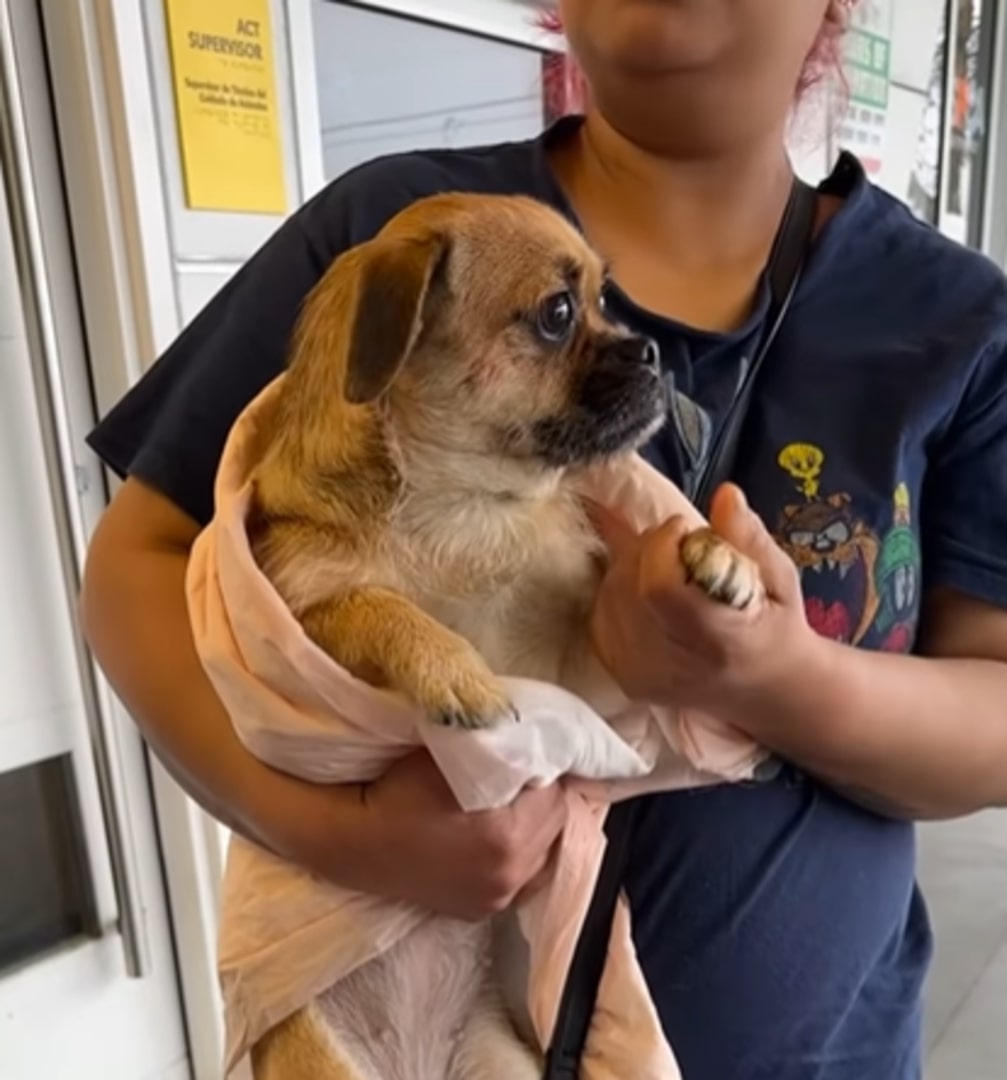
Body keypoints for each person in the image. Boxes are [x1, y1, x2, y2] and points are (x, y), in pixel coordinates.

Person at [81, 1, 1007, 1077]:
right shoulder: (399, 231)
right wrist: (341, 834)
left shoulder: (958, 320)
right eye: (559, 319)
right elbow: (135, 567)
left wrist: (778, 679)